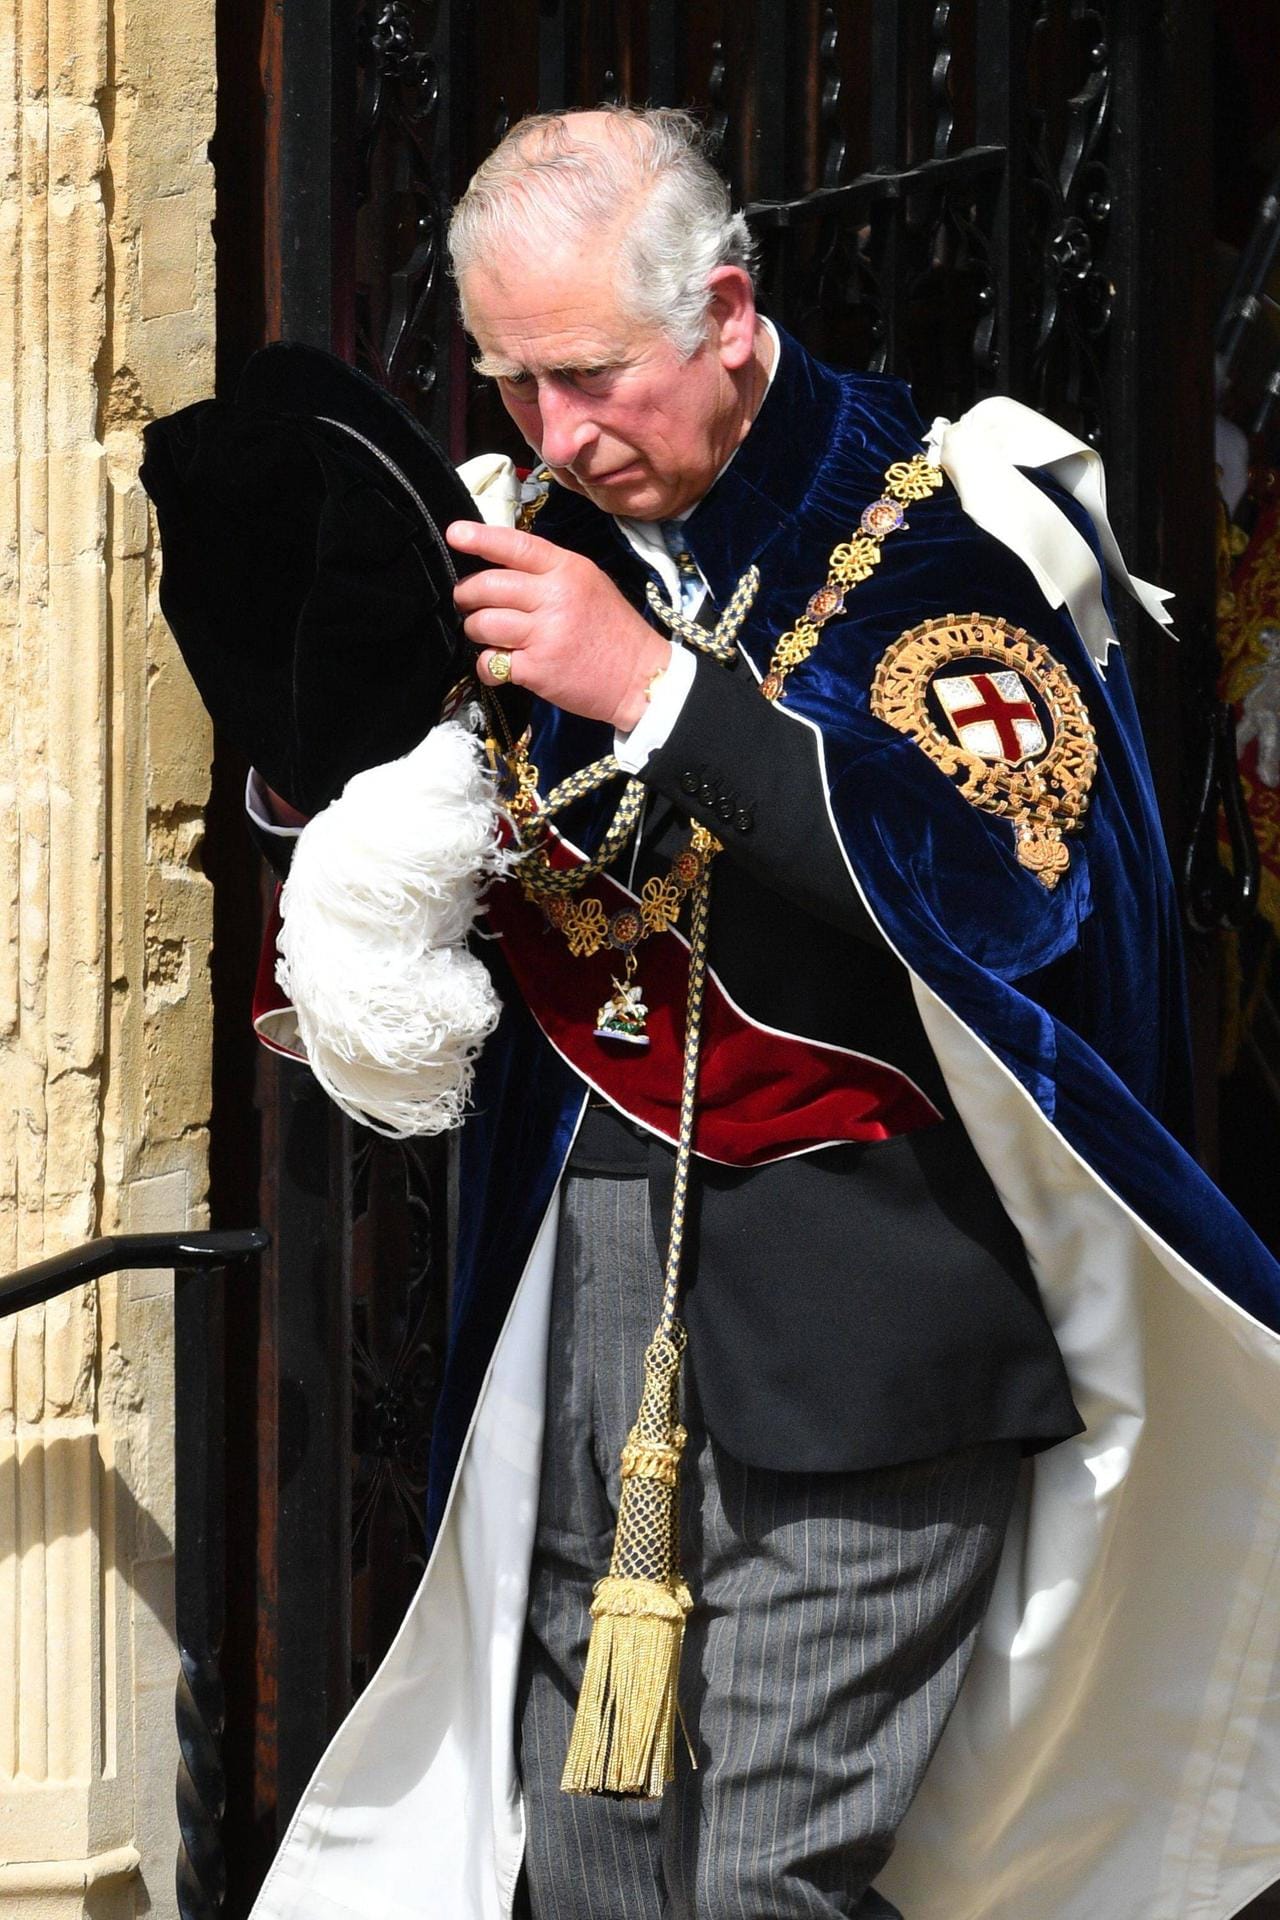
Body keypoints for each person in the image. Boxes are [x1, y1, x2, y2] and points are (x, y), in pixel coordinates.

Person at [246, 109, 1280, 1920]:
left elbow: (1022, 903)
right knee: (574, 1858)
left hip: (873, 1312)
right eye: (511, 381)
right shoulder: (531, 526)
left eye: (589, 377)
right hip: (577, 1283)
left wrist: (657, 690)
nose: (554, 434)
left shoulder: (950, 535)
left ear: (725, 312)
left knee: (762, 1878)